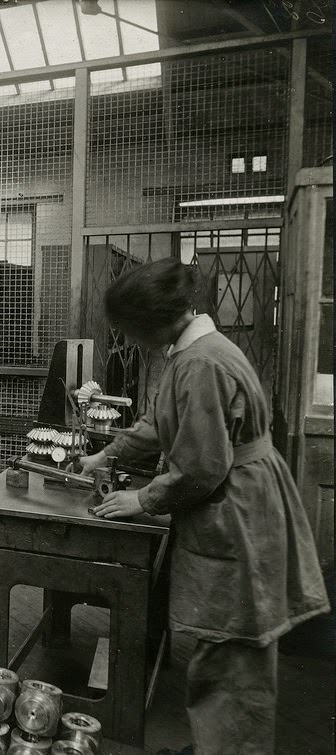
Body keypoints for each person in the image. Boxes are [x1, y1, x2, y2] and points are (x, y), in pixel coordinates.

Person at [77, 259, 329, 754]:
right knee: (225, 644)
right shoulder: (189, 351)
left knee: (236, 649)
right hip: (238, 497)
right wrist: (107, 454)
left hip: (239, 509)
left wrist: (142, 499)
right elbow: (159, 424)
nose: (125, 339)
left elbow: (200, 468)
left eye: (126, 330)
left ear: (150, 323)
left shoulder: (201, 363)